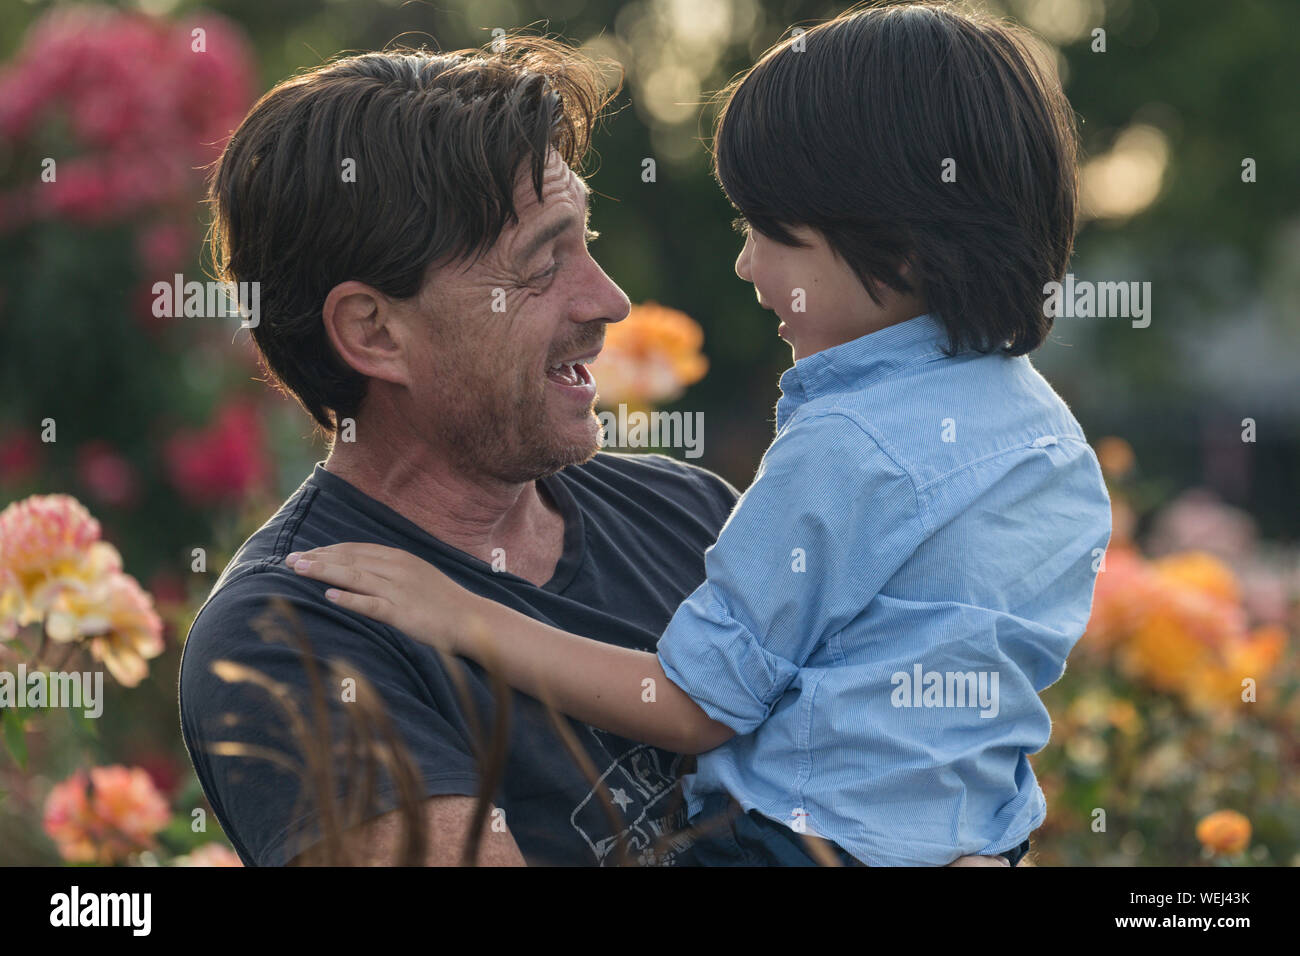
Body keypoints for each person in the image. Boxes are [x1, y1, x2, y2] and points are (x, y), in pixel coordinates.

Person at [285, 3, 1112, 866]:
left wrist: (461, 615)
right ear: (374, 331)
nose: (746, 265)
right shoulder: (1050, 440)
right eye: (542, 263)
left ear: (896, 249)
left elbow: (693, 706)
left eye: (768, 232)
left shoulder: (841, 451)